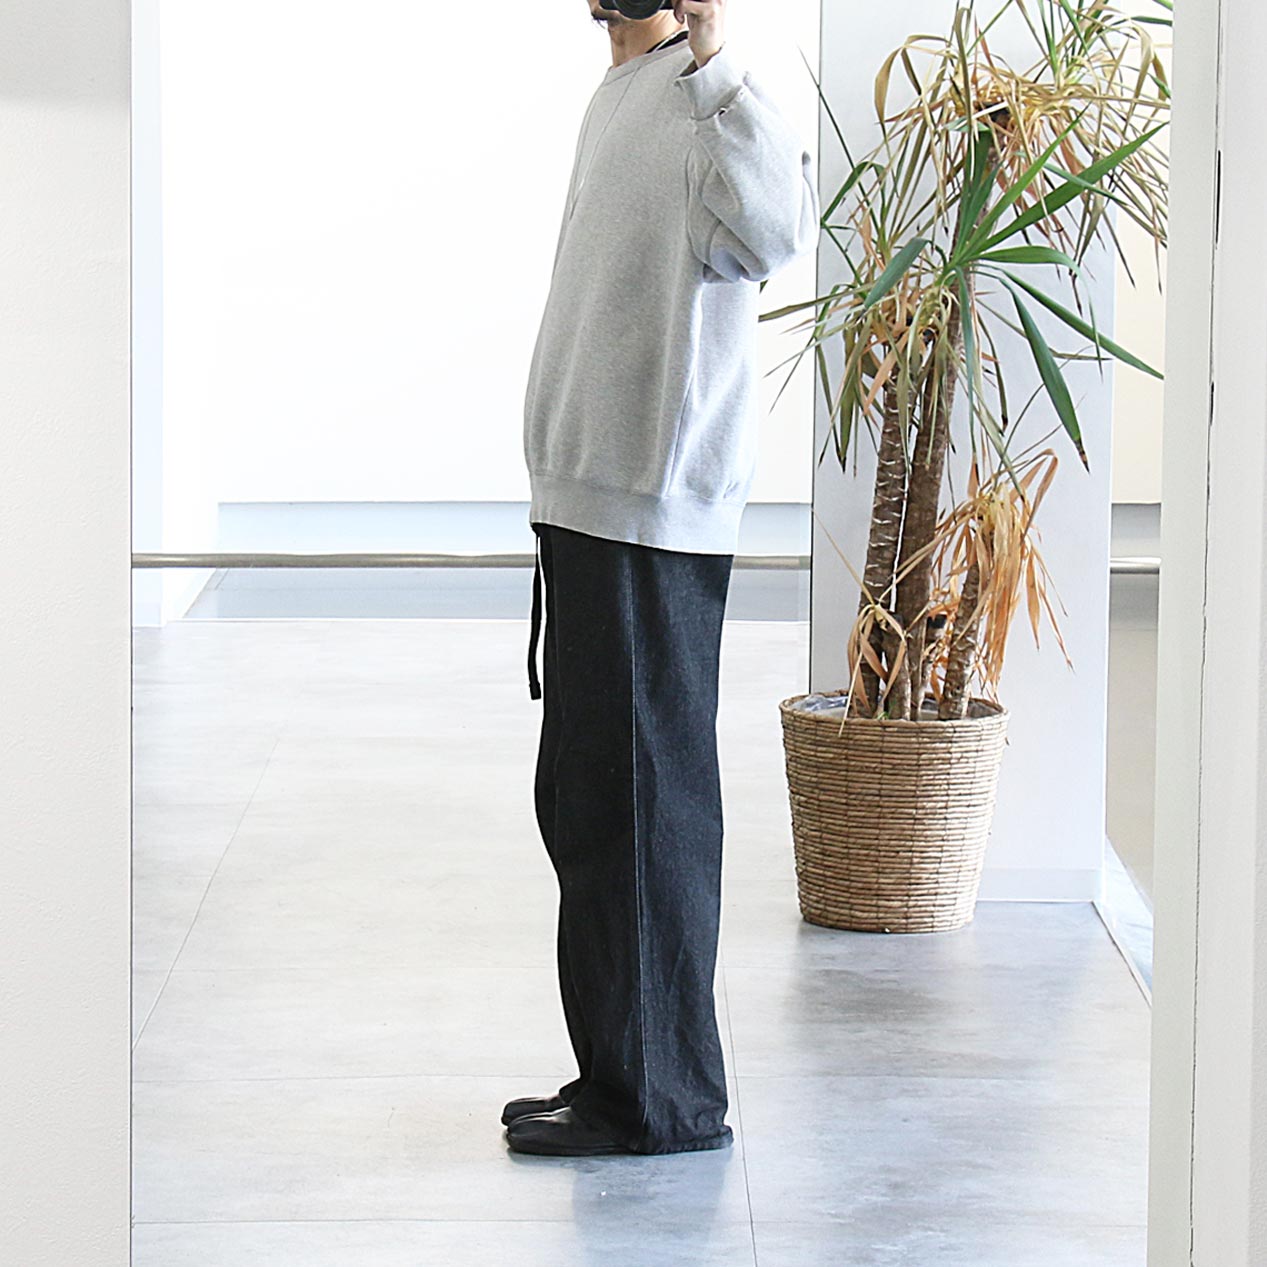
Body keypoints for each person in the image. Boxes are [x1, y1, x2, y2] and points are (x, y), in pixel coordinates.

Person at [504, 0, 818, 1158]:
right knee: (593, 809)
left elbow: (775, 233)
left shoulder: (704, 92)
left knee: (642, 811)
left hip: (646, 507)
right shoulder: (621, 94)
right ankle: (619, 1074)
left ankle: (662, 1102)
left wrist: (717, 53)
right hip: (591, 501)